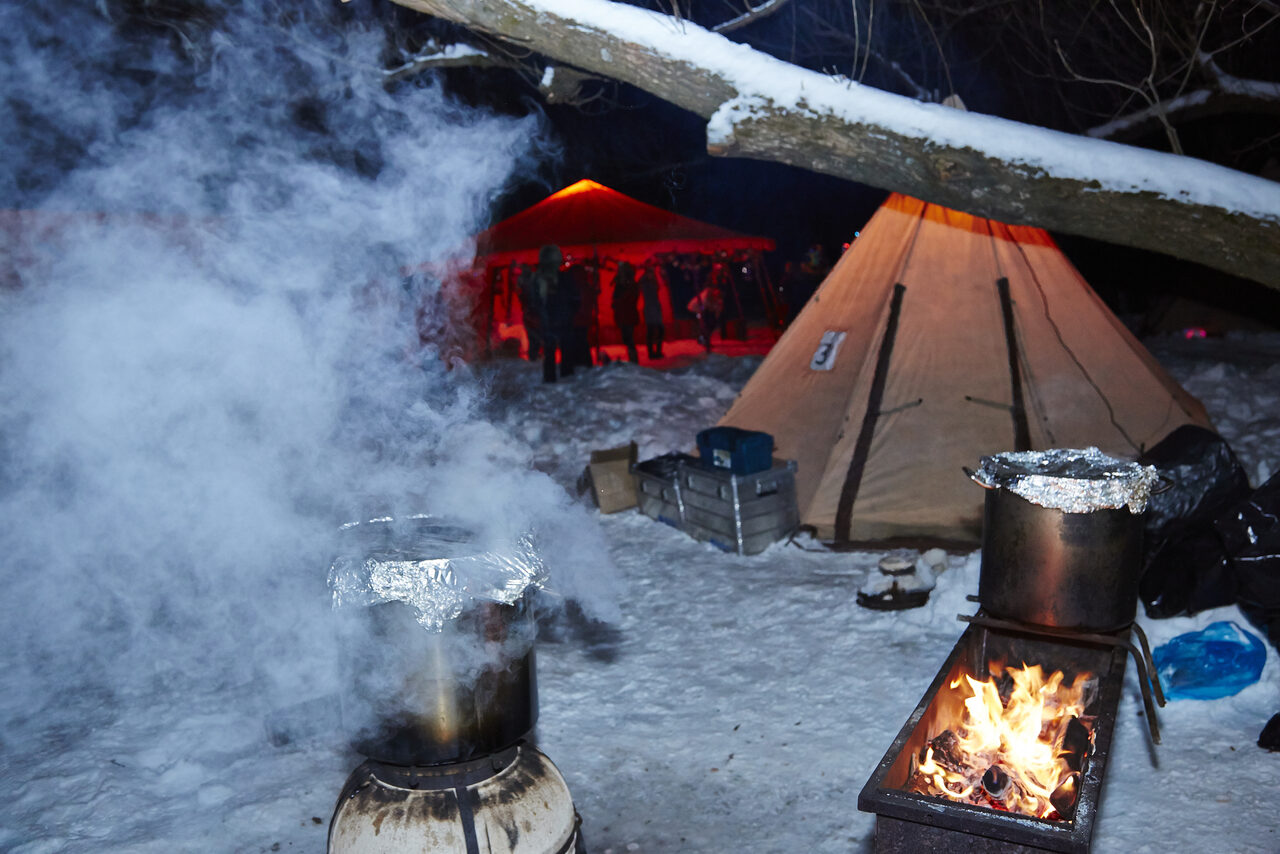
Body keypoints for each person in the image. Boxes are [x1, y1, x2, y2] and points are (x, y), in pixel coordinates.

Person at [534, 244, 576, 382]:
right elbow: (535, 301)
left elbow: (574, 298)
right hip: (550, 320)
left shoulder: (564, 278)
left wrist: (569, 313)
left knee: (565, 350)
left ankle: (564, 375)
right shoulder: (540, 280)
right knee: (551, 351)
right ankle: (552, 377)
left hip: (561, 319)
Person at [610, 260, 641, 363]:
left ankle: (633, 360)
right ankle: (633, 359)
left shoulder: (628, 285)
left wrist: (617, 303)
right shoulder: (627, 284)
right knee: (627, 337)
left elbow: (623, 299)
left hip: (626, 314)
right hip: (626, 314)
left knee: (628, 338)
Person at [639, 257, 665, 359]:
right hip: (650, 310)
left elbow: (659, 286)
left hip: (655, 309)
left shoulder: (653, 282)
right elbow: (641, 283)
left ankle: (657, 352)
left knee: (659, 331)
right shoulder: (645, 283)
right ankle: (652, 353)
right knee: (651, 331)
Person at [687, 282, 724, 353]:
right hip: (696, 310)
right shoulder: (706, 295)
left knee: (709, 325)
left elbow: (716, 309)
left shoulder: (715, 297)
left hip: (703, 311)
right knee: (703, 325)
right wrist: (702, 313)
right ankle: (703, 340)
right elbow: (702, 307)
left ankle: (704, 339)